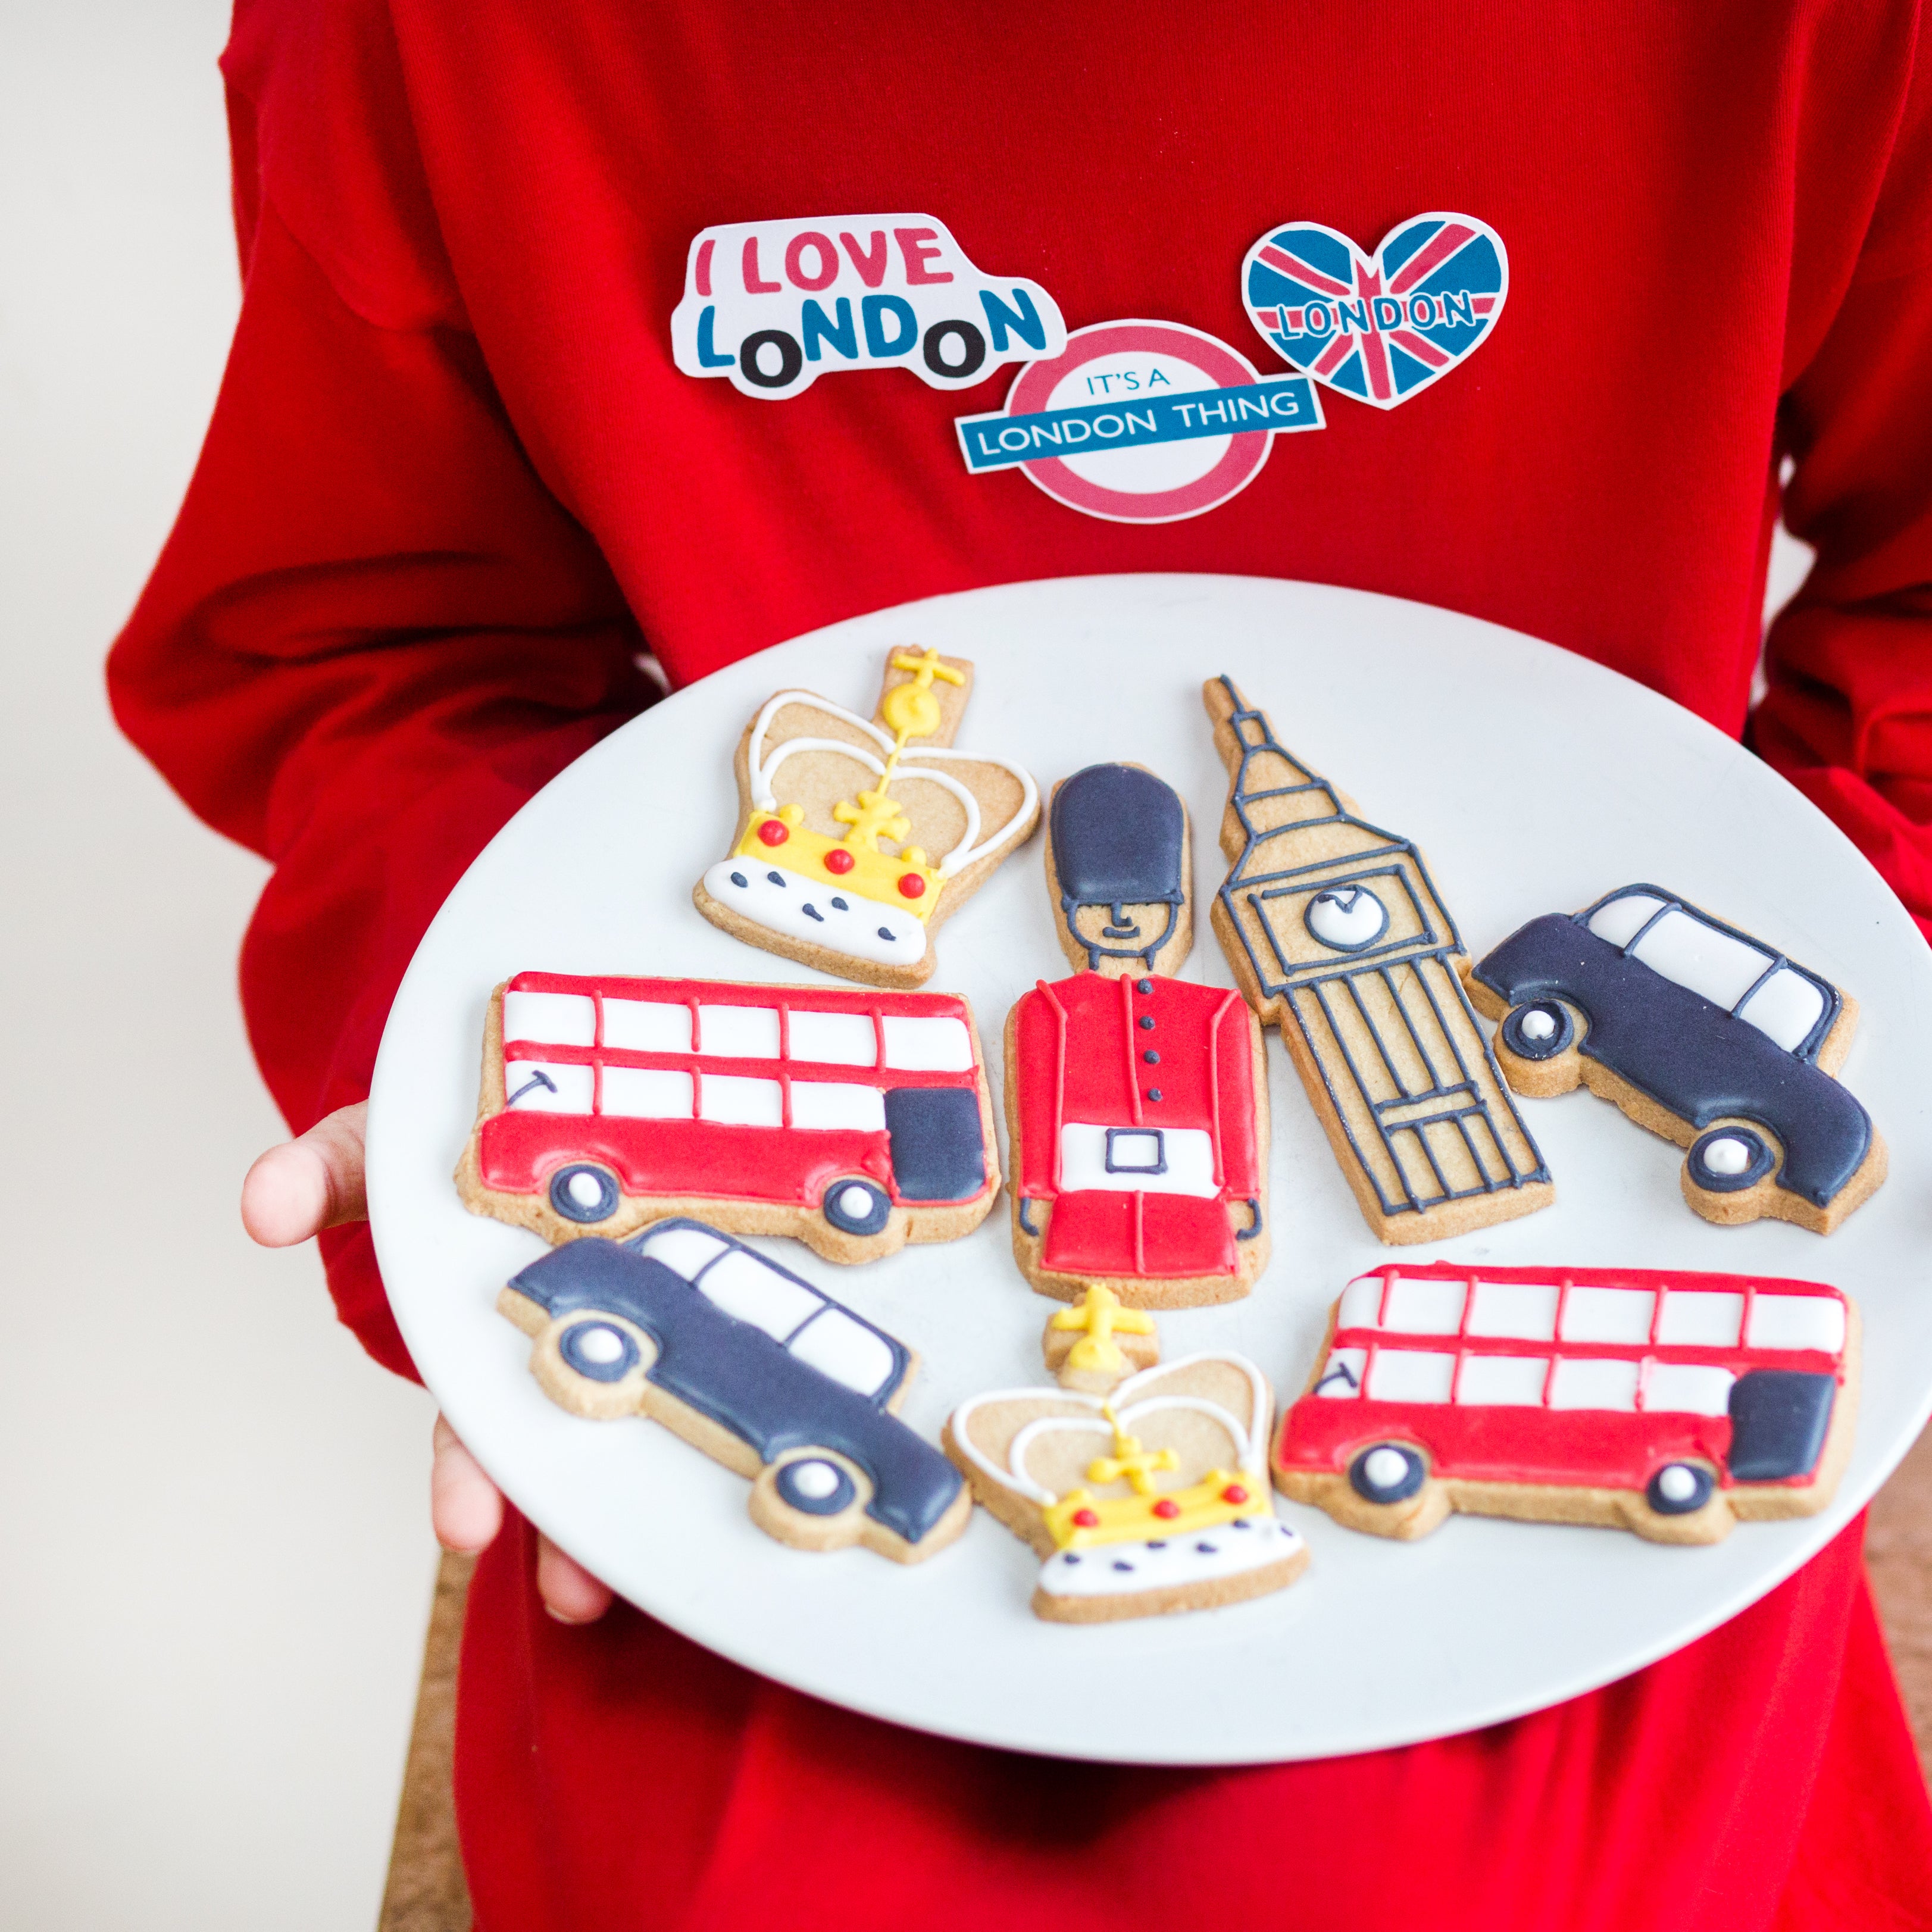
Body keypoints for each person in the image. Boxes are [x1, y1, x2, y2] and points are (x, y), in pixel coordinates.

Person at [111, 3, 1932, 1925]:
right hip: (830, 1395)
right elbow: (369, 649)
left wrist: (1846, 969)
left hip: (1575, 1259)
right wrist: (441, 1055)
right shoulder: (437, 43)